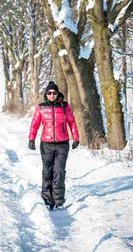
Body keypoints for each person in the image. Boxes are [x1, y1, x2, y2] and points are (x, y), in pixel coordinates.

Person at [28, 81, 79, 211]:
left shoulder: (64, 106)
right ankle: (47, 199)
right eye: (49, 93)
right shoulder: (41, 107)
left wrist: (76, 137)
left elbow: (72, 122)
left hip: (62, 145)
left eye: (54, 93)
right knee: (47, 172)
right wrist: (31, 139)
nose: (52, 95)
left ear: (58, 93)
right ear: (46, 94)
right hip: (46, 145)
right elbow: (35, 123)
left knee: (59, 172)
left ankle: (59, 200)